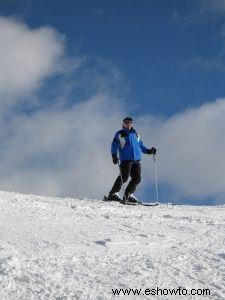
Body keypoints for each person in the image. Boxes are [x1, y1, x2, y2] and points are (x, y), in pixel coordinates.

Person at [107, 117, 156, 203]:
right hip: (126, 159)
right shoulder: (120, 134)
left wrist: (148, 151)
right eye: (126, 123)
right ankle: (113, 194)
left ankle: (128, 195)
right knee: (124, 177)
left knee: (137, 178)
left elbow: (140, 146)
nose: (128, 124)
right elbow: (114, 145)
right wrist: (114, 155)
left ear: (132, 124)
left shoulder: (136, 134)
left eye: (130, 123)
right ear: (123, 124)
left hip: (136, 160)